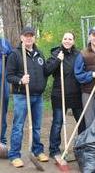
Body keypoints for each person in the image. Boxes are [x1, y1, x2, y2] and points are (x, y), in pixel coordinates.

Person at [6, 27, 49, 168]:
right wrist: (20, 80)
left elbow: (45, 72)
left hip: (38, 96)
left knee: (36, 126)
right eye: (26, 36)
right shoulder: (15, 54)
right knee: (18, 126)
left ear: (34, 38)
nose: (29, 38)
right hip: (22, 96)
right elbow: (9, 76)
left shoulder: (39, 53)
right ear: (21, 38)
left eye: (31, 36)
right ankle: (14, 155)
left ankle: (37, 151)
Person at [46, 32, 85, 163]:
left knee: (81, 122)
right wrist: (58, 60)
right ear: (61, 40)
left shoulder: (78, 54)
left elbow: (82, 70)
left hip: (76, 94)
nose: (67, 41)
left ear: (73, 41)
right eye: (65, 38)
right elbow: (47, 71)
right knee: (58, 122)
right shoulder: (55, 53)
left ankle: (81, 147)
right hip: (59, 94)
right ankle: (54, 149)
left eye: (70, 39)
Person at [0, 38, 12, 145]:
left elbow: (11, 61)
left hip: (3, 81)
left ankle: (1, 140)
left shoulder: (5, 43)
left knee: (2, 111)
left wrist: (7, 55)